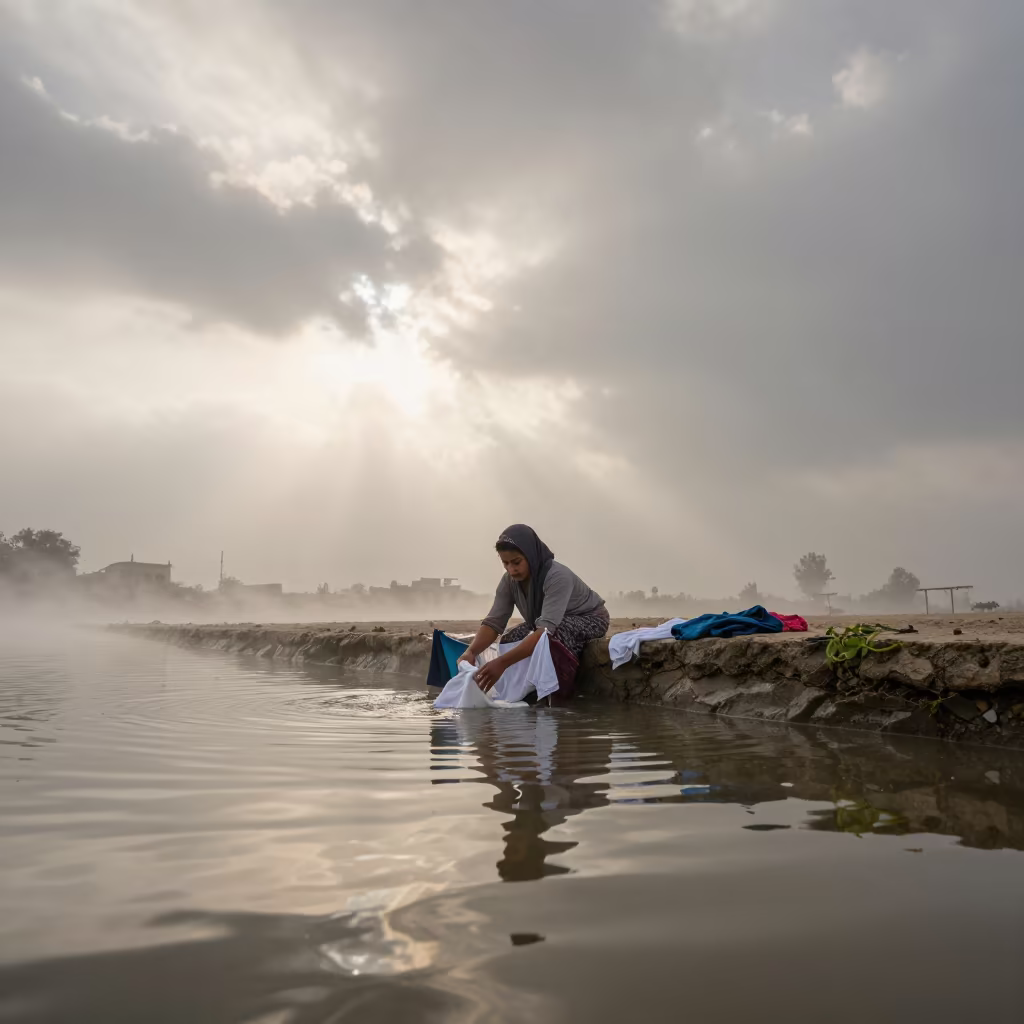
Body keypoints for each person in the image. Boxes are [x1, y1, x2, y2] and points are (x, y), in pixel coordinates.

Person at [459, 524, 609, 692]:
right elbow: (494, 622)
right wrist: (470, 652)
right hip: (546, 623)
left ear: (531, 555)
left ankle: (558, 694)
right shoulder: (509, 581)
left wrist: (502, 663)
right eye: (505, 563)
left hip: (590, 618)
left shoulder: (557, 576)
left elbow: (545, 631)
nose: (512, 569)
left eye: (516, 562)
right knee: (510, 639)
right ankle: (523, 692)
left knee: (551, 639)